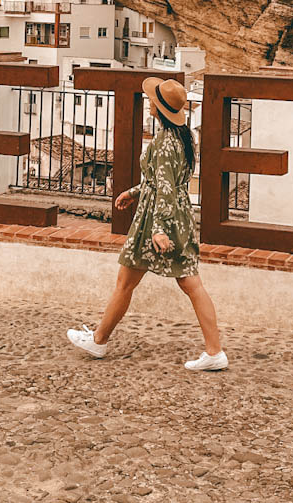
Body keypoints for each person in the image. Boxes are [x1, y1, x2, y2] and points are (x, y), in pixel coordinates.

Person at [66, 77, 227, 370]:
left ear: (160, 108)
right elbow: (169, 182)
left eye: (152, 99)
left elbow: (164, 186)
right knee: (188, 283)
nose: (149, 102)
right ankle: (213, 351)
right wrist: (135, 192)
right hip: (177, 214)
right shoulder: (185, 136)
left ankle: (99, 341)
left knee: (128, 282)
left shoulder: (165, 143)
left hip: (157, 218)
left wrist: (158, 228)